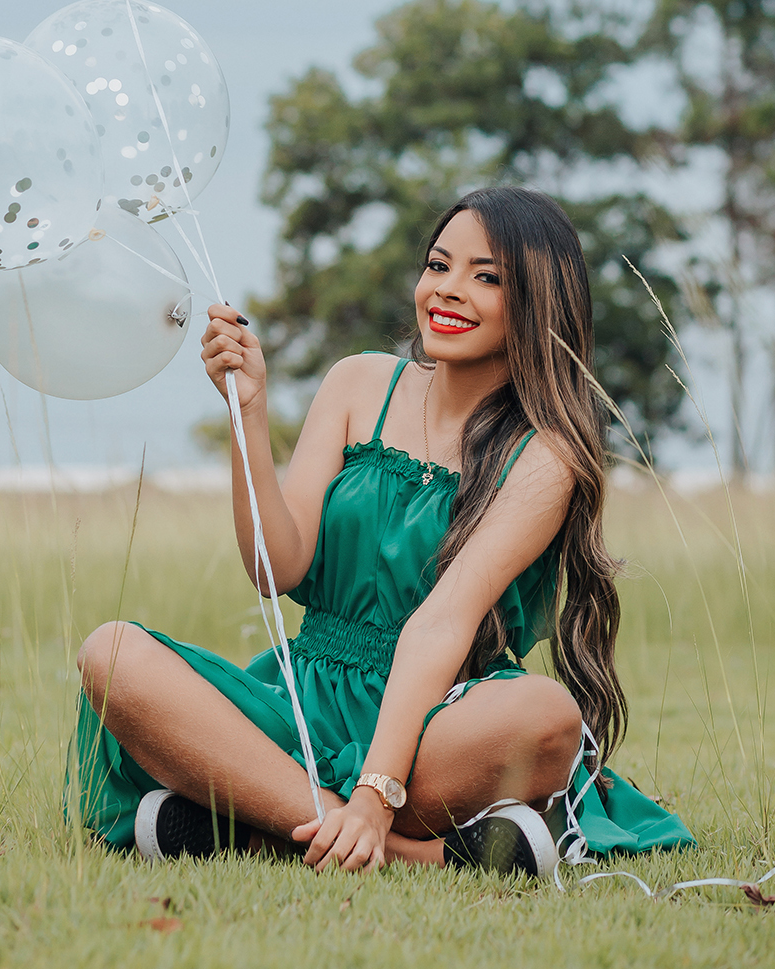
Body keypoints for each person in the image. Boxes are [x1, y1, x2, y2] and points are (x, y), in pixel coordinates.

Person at [73, 187, 692, 874]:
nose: (449, 291)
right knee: (113, 653)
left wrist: (378, 789)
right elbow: (276, 569)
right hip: (304, 701)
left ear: (538, 303)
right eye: (438, 265)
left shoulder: (544, 454)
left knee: (548, 717)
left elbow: (441, 624)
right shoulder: (358, 383)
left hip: (438, 720)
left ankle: (257, 820)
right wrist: (247, 413)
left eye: (487, 277)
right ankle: (410, 854)